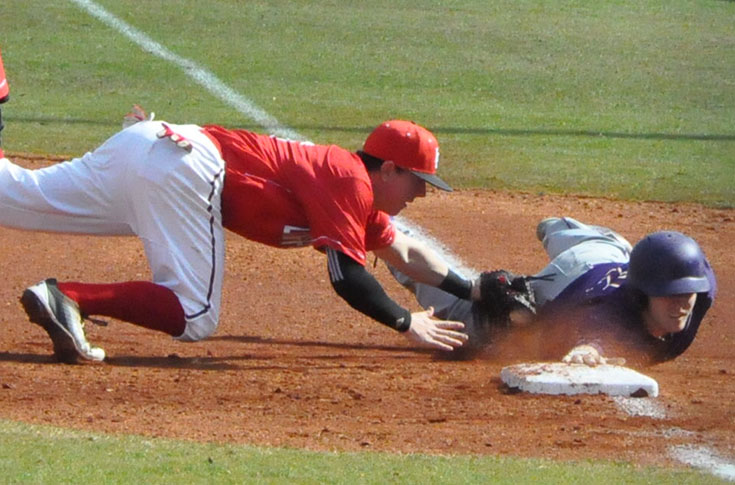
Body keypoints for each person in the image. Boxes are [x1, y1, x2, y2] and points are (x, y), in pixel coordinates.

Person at [0, 59, 476, 363]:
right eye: (419, 182)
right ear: (389, 169)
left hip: (152, 148)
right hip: (184, 166)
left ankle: (65, 299)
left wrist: (471, 290)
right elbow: (346, 277)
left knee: (20, 197)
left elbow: (406, 253)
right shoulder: (348, 178)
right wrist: (405, 321)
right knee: (195, 312)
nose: (422, 194)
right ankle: (71, 298)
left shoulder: (353, 196)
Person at [389, 216, 717, 366]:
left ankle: (556, 227)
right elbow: (594, 338)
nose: (682, 303)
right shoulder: (608, 318)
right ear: (643, 293)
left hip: (602, 256)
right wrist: (587, 351)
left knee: (618, 246)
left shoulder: (700, 289)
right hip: (559, 286)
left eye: (687, 292)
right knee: (482, 322)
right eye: (669, 293)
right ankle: (385, 230)